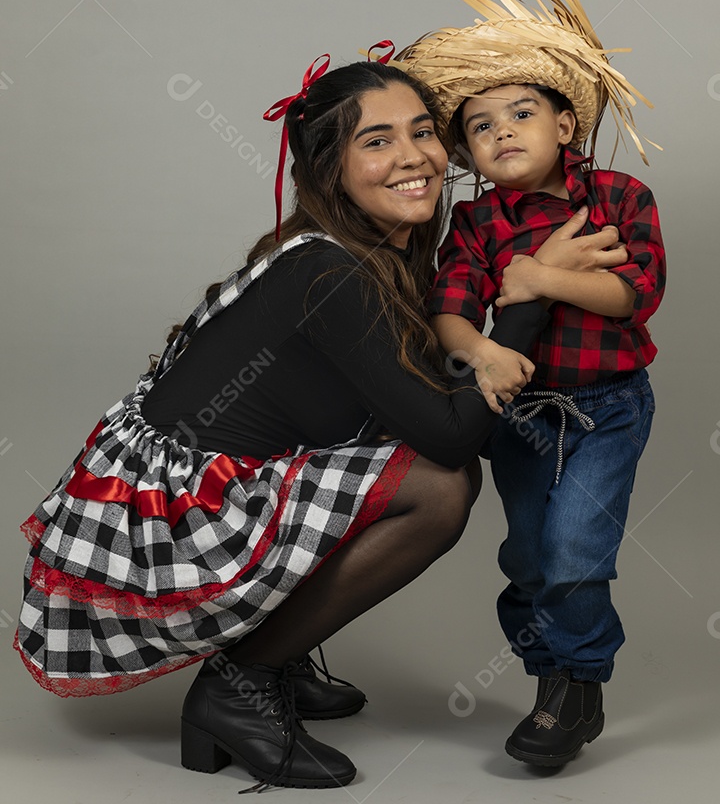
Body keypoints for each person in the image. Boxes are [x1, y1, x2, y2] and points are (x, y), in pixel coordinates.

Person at [15, 55, 568, 793]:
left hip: (209, 486)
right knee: (440, 486)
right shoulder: (329, 273)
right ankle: (240, 683)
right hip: (163, 525)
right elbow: (452, 434)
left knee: (391, 441)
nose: (413, 157)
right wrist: (528, 300)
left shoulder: (370, 255)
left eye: (423, 132)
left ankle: (270, 649)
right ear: (330, 169)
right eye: (375, 142)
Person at [398, 0, 666, 768]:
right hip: (520, 416)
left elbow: (633, 294)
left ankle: (576, 686)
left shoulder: (620, 195)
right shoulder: (476, 226)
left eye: (520, 113)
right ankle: (548, 670)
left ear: (565, 121)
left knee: (575, 549)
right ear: (467, 155)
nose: (501, 131)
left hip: (608, 408)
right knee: (527, 553)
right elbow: (448, 314)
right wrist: (480, 349)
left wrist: (539, 280)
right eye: (479, 126)